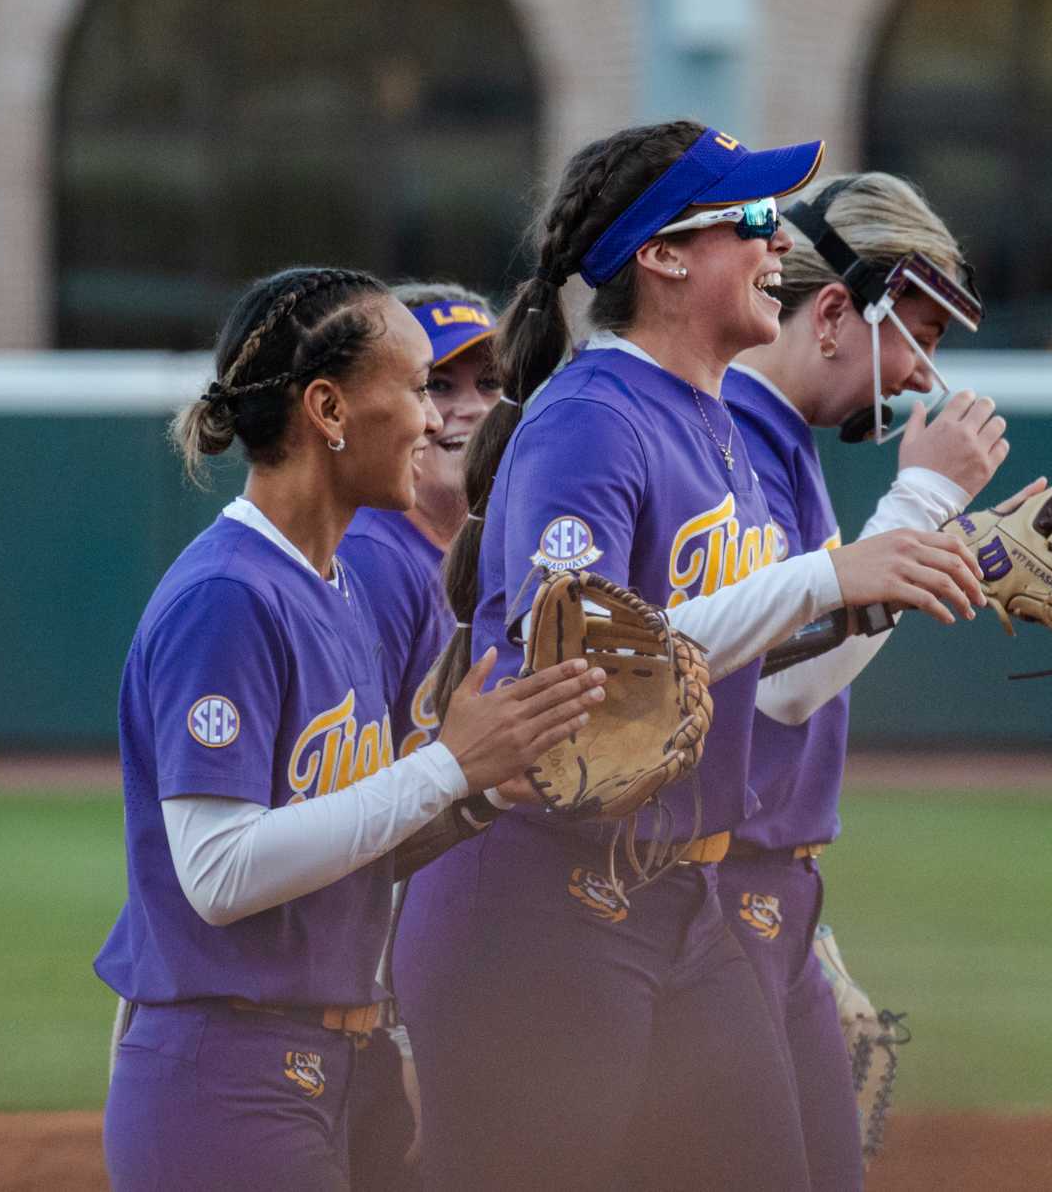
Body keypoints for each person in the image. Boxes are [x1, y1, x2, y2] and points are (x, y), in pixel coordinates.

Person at [395, 122, 987, 1192]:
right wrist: (827, 579)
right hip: (537, 909)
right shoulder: (591, 418)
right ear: (664, 256)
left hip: (686, 900)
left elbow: (772, 661)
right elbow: (557, 670)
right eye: (752, 220)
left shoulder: (715, 425)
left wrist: (928, 564)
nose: (779, 245)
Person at [95, 267, 603, 1192]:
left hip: (329, 1062)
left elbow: (344, 847)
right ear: (329, 409)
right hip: (227, 1078)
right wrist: (447, 768)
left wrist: (484, 787)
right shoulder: (228, 596)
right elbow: (219, 874)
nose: (436, 419)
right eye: (416, 387)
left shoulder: (327, 586)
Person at [718, 172, 1027, 1191]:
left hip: (774, 891)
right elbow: (780, 685)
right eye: (919, 331)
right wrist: (929, 497)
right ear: (838, 310)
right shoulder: (731, 431)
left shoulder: (778, 439)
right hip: (713, 900)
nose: (922, 372)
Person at [334, 281, 500, 1191]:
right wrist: (404, 1024)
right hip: (370, 991)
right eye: (438, 384)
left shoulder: (473, 561)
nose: (465, 408)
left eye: (487, 381)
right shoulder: (372, 561)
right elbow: (352, 809)